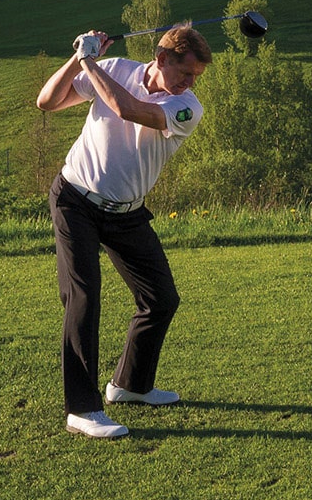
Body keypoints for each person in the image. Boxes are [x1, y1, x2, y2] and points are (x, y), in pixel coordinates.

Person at [35, 25, 210, 439]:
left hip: (126, 213)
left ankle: (130, 385)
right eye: (184, 73)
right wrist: (78, 55)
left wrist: (88, 61)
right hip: (74, 200)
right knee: (83, 297)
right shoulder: (114, 68)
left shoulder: (187, 108)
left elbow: (127, 108)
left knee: (161, 299)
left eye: (196, 78)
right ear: (161, 58)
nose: (189, 84)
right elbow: (46, 102)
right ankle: (82, 409)